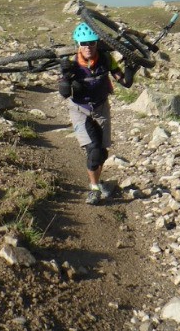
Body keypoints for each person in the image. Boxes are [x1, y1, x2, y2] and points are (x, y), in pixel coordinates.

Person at [57, 22, 136, 204]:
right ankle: (93, 189)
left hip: (101, 107)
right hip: (80, 109)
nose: (88, 47)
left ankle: (98, 182)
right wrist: (66, 78)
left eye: (91, 43)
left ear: (97, 43)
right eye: (84, 43)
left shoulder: (106, 59)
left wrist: (131, 68)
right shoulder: (71, 63)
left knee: (102, 153)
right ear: (77, 44)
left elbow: (124, 81)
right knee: (93, 151)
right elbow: (64, 94)